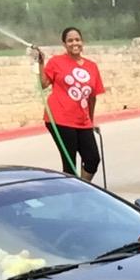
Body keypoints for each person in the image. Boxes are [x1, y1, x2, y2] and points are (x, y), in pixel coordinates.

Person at [35, 27, 105, 181]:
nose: (75, 43)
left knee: (93, 159)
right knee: (70, 163)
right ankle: (72, 196)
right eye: (70, 40)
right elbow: (43, 84)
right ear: (64, 44)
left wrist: (91, 121)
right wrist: (40, 63)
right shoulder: (56, 62)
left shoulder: (91, 66)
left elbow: (92, 97)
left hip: (82, 121)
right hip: (59, 118)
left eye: (77, 39)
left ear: (82, 42)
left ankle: (81, 187)